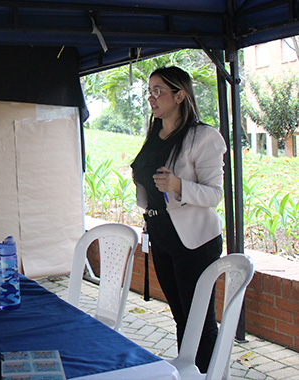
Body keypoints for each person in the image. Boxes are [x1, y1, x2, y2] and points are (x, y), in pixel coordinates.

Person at [131, 66, 227, 373]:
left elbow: (214, 194)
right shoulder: (155, 134)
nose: (151, 97)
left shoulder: (204, 137)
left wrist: (179, 186)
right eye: (149, 91)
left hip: (195, 241)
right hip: (161, 235)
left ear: (180, 95)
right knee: (181, 317)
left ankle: (208, 374)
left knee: (200, 321)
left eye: (159, 90)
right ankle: (189, 373)